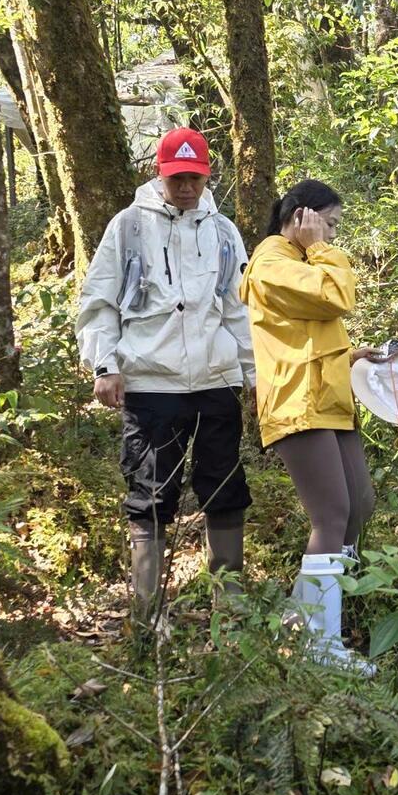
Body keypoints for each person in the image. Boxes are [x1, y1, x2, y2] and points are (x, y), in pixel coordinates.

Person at [75, 127, 256, 628]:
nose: (186, 187)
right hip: (152, 384)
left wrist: (253, 372)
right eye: (177, 177)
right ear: (161, 173)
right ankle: (148, 609)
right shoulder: (128, 226)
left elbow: (238, 309)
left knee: (223, 486)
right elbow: (99, 302)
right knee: (150, 493)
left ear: (206, 175)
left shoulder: (223, 231)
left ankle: (230, 603)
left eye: (195, 177)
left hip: (216, 382)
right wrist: (105, 366)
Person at [240, 178, 393, 674]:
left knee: (359, 505)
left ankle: (296, 621)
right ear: (302, 216)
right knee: (331, 515)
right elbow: (335, 298)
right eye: (329, 223)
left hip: (326, 397)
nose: (331, 234)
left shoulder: (298, 261)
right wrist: (322, 250)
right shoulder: (271, 262)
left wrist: (351, 356)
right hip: (297, 403)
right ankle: (321, 650)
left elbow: (303, 334)